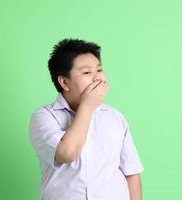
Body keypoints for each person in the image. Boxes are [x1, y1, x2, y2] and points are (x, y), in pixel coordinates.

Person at [29, 38, 144, 200]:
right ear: (64, 82)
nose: (97, 78)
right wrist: (87, 106)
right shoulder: (44, 116)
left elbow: (131, 173)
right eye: (87, 72)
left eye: (99, 70)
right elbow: (67, 153)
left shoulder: (114, 117)